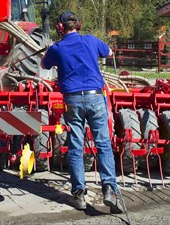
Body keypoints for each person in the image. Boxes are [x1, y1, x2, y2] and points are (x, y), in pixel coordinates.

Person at [41, 11, 124, 214]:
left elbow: (44, 65)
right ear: (78, 24)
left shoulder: (57, 48)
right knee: (103, 144)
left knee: (76, 146)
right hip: (96, 98)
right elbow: (109, 53)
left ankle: (78, 194)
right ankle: (109, 190)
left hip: (73, 100)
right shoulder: (92, 41)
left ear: (60, 28)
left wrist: (48, 50)